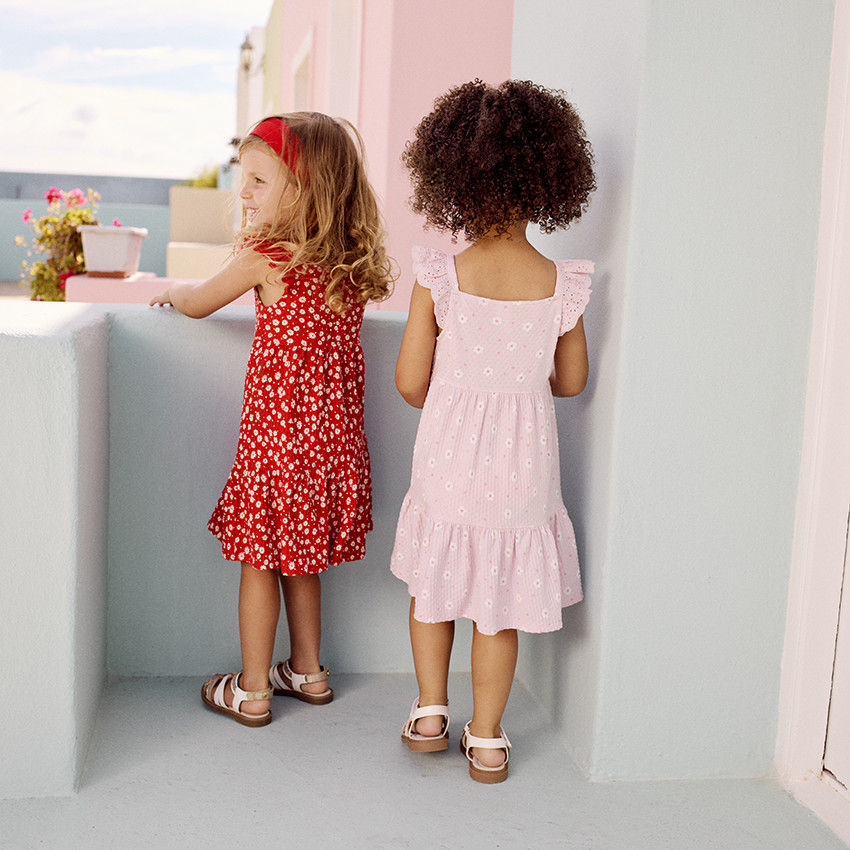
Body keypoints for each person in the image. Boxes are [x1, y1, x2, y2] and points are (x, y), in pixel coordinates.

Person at [150, 113, 395, 726]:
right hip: (331, 449)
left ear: (307, 187)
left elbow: (201, 303)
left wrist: (174, 292)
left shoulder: (267, 257)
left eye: (259, 180)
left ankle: (253, 688)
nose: (245, 192)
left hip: (276, 446)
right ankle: (308, 672)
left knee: (260, 559)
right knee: (302, 558)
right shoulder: (347, 268)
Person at [391, 80, 596, 782]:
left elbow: (410, 382)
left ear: (453, 178)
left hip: (450, 457)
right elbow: (570, 382)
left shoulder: (440, 275)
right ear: (550, 178)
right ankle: (486, 736)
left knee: (434, 589)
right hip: (522, 469)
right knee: (496, 608)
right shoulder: (560, 283)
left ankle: (427, 710)